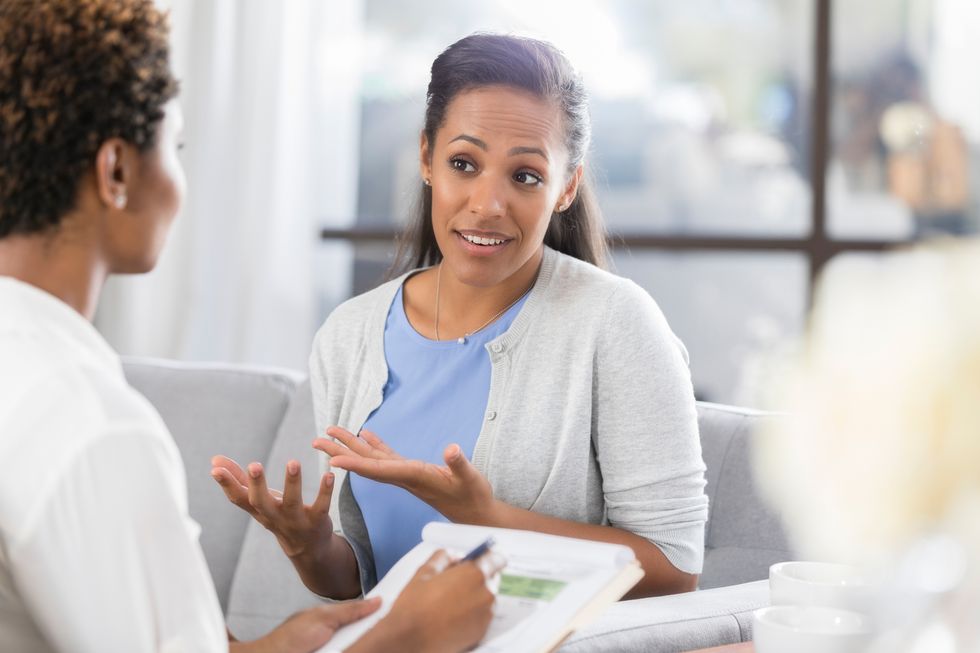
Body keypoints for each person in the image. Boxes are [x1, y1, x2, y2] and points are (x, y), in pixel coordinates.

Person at [0, 2, 499, 652]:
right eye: (173, 147)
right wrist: (405, 634)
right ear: (117, 171)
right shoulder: (90, 423)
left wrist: (271, 648)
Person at [213, 33, 708, 601]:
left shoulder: (616, 323)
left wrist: (489, 518)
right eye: (463, 163)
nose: (488, 204)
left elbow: (674, 568)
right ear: (427, 159)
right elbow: (364, 579)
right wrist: (311, 548)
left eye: (524, 176)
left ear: (566, 187)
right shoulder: (348, 336)